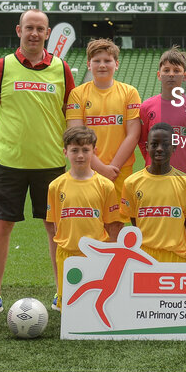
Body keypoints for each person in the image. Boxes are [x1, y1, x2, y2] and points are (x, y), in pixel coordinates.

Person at [0, 9, 76, 316]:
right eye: (29, 28)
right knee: (2, 225)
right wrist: (9, 144)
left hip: (50, 164)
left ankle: (62, 291)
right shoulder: (3, 66)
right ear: (18, 30)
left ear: (48, 33)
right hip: (9, 163)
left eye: (40, 28)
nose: (34, 33)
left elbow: (69, 114)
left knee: (54, 228)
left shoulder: (61, 69)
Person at [138, 46, 186, 262]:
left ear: (185, 76)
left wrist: (184, 162)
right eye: (166, 70)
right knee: (155, 233)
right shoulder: (147, 106)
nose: (171, 75)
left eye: (176, 70)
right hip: (156, 179)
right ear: (159, 74)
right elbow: (143, 142)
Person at [45, 126, 122, 312]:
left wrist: (109, 258)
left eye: (85, 150)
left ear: (94, 152)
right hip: (67, 255)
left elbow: (112, 226)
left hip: (95, 255)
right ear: (65, 152)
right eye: (74, 150)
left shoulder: (105, 186)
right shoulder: (56, 186)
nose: (80, 155)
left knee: (94, 306)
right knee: (70, 310)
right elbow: (56, 225)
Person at [66, 38, 142, 219]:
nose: (102, 65)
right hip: (86, 169)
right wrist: (100, 168)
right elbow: (75, 136)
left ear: (116, 64)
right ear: (88, 64)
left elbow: (133, 134)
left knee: (116, 225)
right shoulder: (77, 94)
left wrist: (113, 167)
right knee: (89, 223)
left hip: (120, 171)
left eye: (107, 60)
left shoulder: (129, 93)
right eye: (96, 61)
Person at [120, 122, 186, 262]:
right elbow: (135, 220)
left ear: (174, 147)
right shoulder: (131, 183)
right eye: (154, 144)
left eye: (166, 144)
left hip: (175, 256)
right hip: (143, 256)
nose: (160, 149)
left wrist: (180, 248)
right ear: (147, 147)